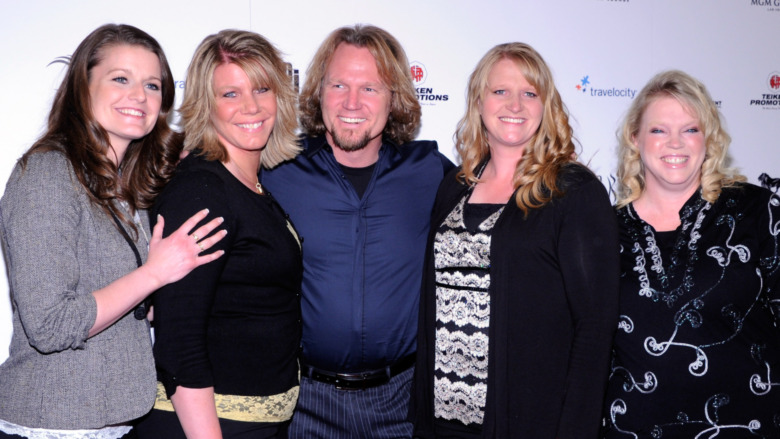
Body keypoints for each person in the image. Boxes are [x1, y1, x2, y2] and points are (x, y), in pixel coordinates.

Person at [0, 24, 226, 439]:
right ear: (82, 87)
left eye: (152, 85)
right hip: (50, 426)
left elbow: (119, 298)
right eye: (120, 79)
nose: (139, 96)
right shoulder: (48, 174)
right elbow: (50, 325)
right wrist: (155, 273)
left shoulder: (126, 185)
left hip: (113, 425)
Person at [411, 42, 620, 439]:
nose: (515, 104)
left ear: (546, 106)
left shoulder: (572, 193)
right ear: (479, 101)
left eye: (530, 93)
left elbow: (594, 328)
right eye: (500, 91)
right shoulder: (454, 187)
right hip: (443, 422)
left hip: (527, 421)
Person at [262, 24, 454, 438]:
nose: (352, 102)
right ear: (318, 92)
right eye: (339, 85)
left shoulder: (431, 172)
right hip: (303, 404)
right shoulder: (276, 171)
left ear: (394, 98)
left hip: (402, 403)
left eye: (370, 88)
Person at [134, 30, 302, 439]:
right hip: (207, 426)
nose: (251, 106)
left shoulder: (251, 186)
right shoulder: (202, 191)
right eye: (230, 94)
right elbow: (179, 339)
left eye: (262, 88)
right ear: (206, 106)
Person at [602, 70, 780, 438]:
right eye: (658, 130)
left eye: (690, 129)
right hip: (634, 428)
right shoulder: (602, 231)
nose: (675, 143)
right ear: (634, 138)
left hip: (748, 426)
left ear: (709, 138)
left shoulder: (756, 211)